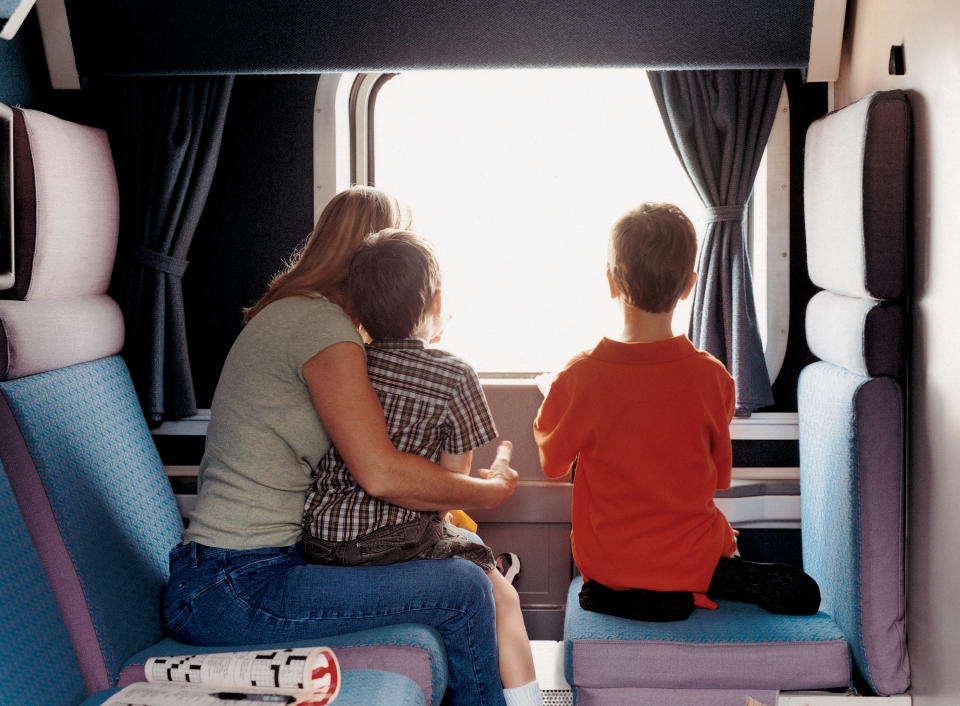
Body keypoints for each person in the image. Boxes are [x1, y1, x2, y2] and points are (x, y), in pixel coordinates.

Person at [163, 186, 519, 706]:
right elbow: (379, 473)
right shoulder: (321, 329)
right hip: (233, 586)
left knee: (453, 579)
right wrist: (481, 493)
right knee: (464, 590)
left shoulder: (297, 314)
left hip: (235, 574)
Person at [533, 202, 820, 622]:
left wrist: (553, 397)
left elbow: (552, 463)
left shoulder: (579, 377)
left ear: (611, 282)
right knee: (723, 548)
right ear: (689, 286)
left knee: (605, 576)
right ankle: (700, 577)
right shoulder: (713, 377)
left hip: (611, 560)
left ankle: (638, 592)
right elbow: (719, 476)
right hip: (692, 552)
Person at [301, 228, 540, 706]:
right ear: (435, 302)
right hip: (398, 539)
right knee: (503, 598)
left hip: (320, 541)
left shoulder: (345, 364)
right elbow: (448, 493)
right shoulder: (454, 375)